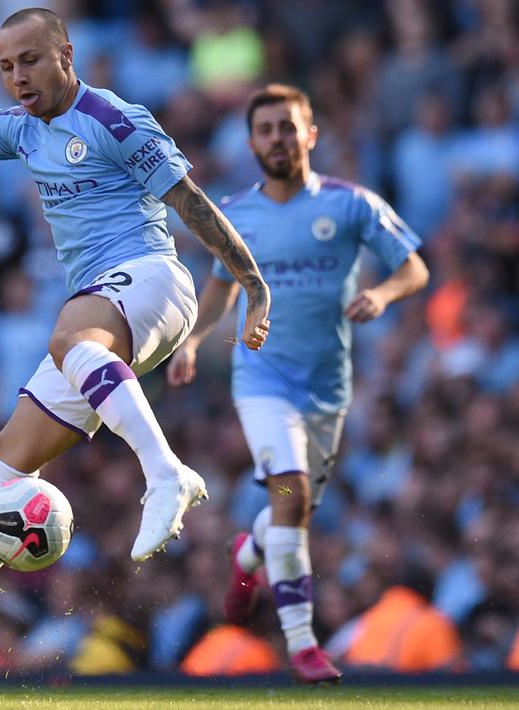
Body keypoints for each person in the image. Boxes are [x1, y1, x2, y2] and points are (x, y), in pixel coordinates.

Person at [0, 7, 272, 664]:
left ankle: (165, 473)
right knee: (6, 459)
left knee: (68, 334)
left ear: (65, 53)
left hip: (151, 279)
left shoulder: (114, 119)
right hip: (106, 301)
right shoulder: (16, 129)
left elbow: (190, 205)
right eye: (4, 66)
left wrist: (252, 285)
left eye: (29, 60)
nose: (16, 77)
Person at [167, 83, 429, 684]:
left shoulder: (351, 204)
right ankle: (305, 647)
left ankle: (248, 553)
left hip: (328, 388)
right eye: (266, 130)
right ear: (252, 142)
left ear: (310, 134)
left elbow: (415, 265)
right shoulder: (234, 214)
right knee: (288, 490)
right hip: (262, 382)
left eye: (288, 127)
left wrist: (383, 294)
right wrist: (195, 338)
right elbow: (220, 288)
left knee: (294, 510)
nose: (278, 139)